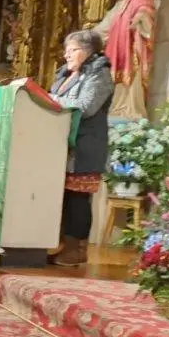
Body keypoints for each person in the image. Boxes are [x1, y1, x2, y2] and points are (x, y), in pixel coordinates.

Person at [49, 30, 113, 266]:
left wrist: (51, 100)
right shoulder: (66, 74)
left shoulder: (99, 74)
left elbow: (86, 107)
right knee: (63, 198)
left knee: (77, 198)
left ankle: (77, 249)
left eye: (72, 50)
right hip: (61, 146)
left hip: (84, 148)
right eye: (66, 50)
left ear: (88, 51)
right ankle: (60, 244)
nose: (66, 55)